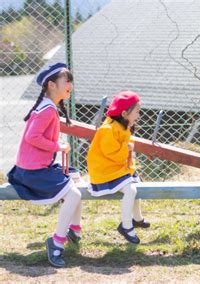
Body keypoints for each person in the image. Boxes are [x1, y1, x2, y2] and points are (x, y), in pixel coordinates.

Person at [7, 62, 82, 268]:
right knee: (74, 194)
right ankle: (57, 242)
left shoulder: (47, 107)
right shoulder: (48, 110)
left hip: (30, 169)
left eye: (71, 81)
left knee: (75, 180)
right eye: (66, 81)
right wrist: (58, 146)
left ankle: (74, 229)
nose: (70, 85)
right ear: (51, 85)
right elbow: (33, 137)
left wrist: (57, 148)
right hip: (32, 173)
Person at [87, 91, 149, 244]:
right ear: (124, 113)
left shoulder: (121, 126)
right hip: (105, 171)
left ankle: (137, 218)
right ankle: (126, 226)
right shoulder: (108, 129)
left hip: (115, 168)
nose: (138, 116)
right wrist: (127, 147)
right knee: (131, 190)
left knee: (136, 183)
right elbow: (112, 152)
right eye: (137, 111)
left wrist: (126, 150)